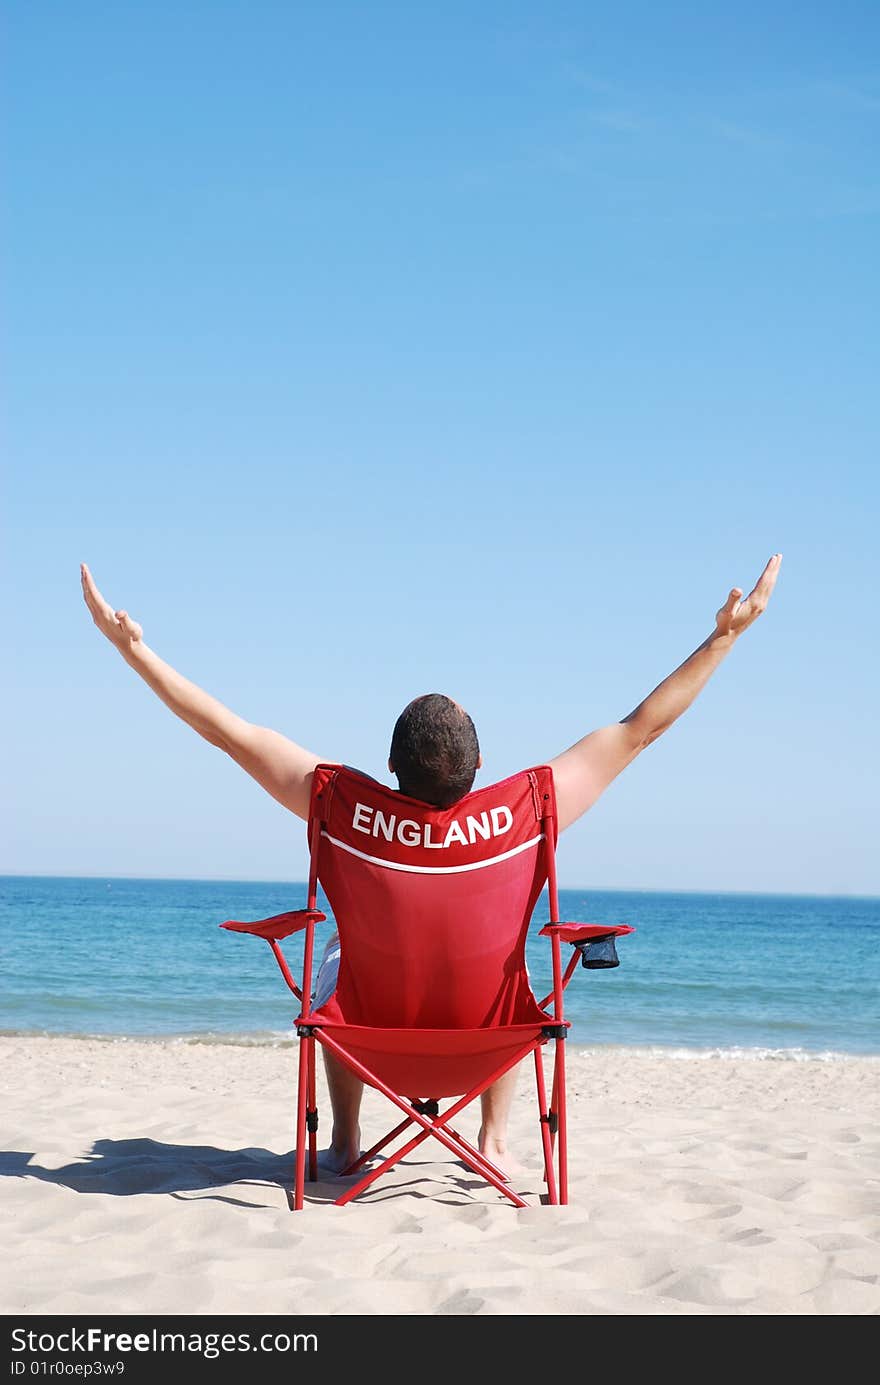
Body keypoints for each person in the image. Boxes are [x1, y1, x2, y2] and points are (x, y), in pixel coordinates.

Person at [80, 553, 782, 1176]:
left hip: (365, 1043)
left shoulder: (341, 803)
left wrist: (135, 652)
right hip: (487, 1045)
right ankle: (496, 1139)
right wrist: (725, 635)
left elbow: (228, 734)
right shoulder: (527, 805)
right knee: (515, 962)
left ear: (390, 766)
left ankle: (346, 1141)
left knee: (333, 954)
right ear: (479, 766)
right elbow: (641, 729)